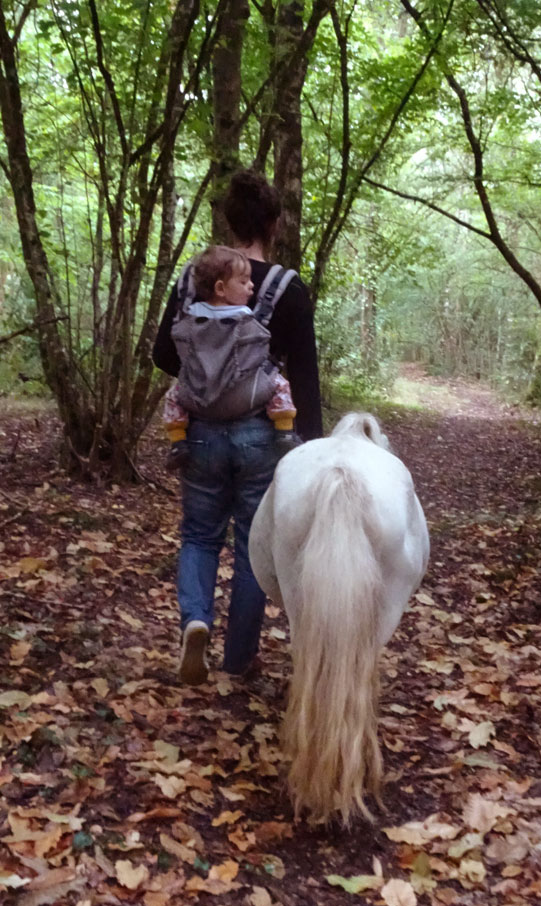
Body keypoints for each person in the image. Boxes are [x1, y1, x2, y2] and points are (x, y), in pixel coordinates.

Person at [152, 170, 322, 684]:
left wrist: (206, 378)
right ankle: (239, 658)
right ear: (274, 224)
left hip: (198, 433)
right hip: (261, 438)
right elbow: (306, 380)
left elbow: (163, 353)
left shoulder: (195, 278)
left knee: (199, 536)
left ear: (227, 221)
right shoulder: (288, 289)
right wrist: (311, 450)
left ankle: (195, 621)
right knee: (252, 544)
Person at [161, 245, 299, 472]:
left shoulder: (193, 314)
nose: (251, 286)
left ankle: (177, 442)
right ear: (221, 288)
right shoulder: (245, 316)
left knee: (174, 395)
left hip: (199, 402)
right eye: (244, 282)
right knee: (280, 385)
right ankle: (284, 431)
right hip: (247, 398)